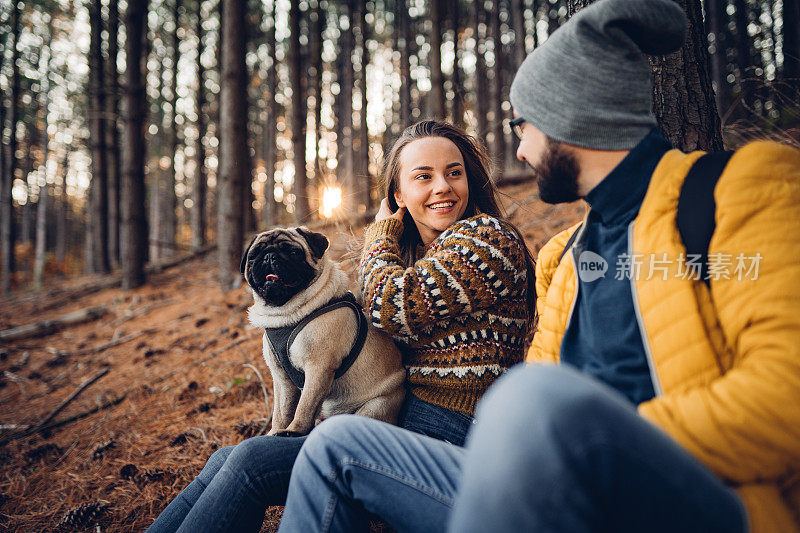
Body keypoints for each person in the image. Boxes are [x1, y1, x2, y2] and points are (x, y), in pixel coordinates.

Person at [280, 0, 800, 532]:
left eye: (523, 126)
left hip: (698, 497)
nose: (521, 151)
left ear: (571, 118)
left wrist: (587, 443)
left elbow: (785, 398)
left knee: (530, 398)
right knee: (336, 445)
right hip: (560, 490)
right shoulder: (565, 258)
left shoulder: (737, 190)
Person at [146, 120, 535, 533]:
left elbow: (392, 305)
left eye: (454, 172)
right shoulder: (416, 255)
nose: (443, 186)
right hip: (404, 422)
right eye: (424, 176)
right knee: (226, 458)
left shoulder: (486, 239)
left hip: (456, 437)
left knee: (251, 464)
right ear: (398, 195)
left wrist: (379, 235)